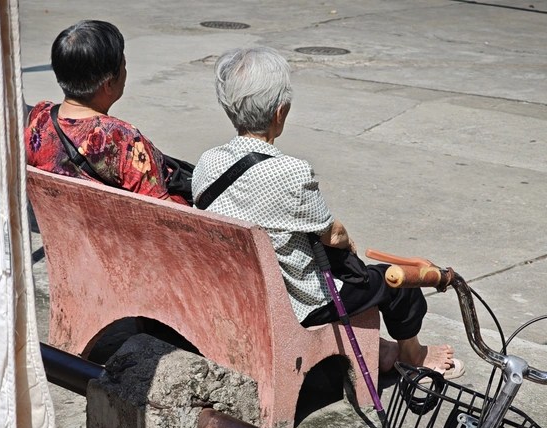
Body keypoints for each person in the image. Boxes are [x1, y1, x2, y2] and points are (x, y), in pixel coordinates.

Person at [192, 47, 464, 378]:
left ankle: (376, 347)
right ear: (280, 112)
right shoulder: (290, 172)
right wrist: (346, 241)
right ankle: (413, 353)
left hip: (234, 290)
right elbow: (333, 234)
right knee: (396, 283)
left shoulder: (208, 161)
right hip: (296, 301)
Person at [25, 20, 189, 205]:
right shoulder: (122, 139)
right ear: (109, 84)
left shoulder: (40, 117)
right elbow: (165, 212)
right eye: (123, 66)